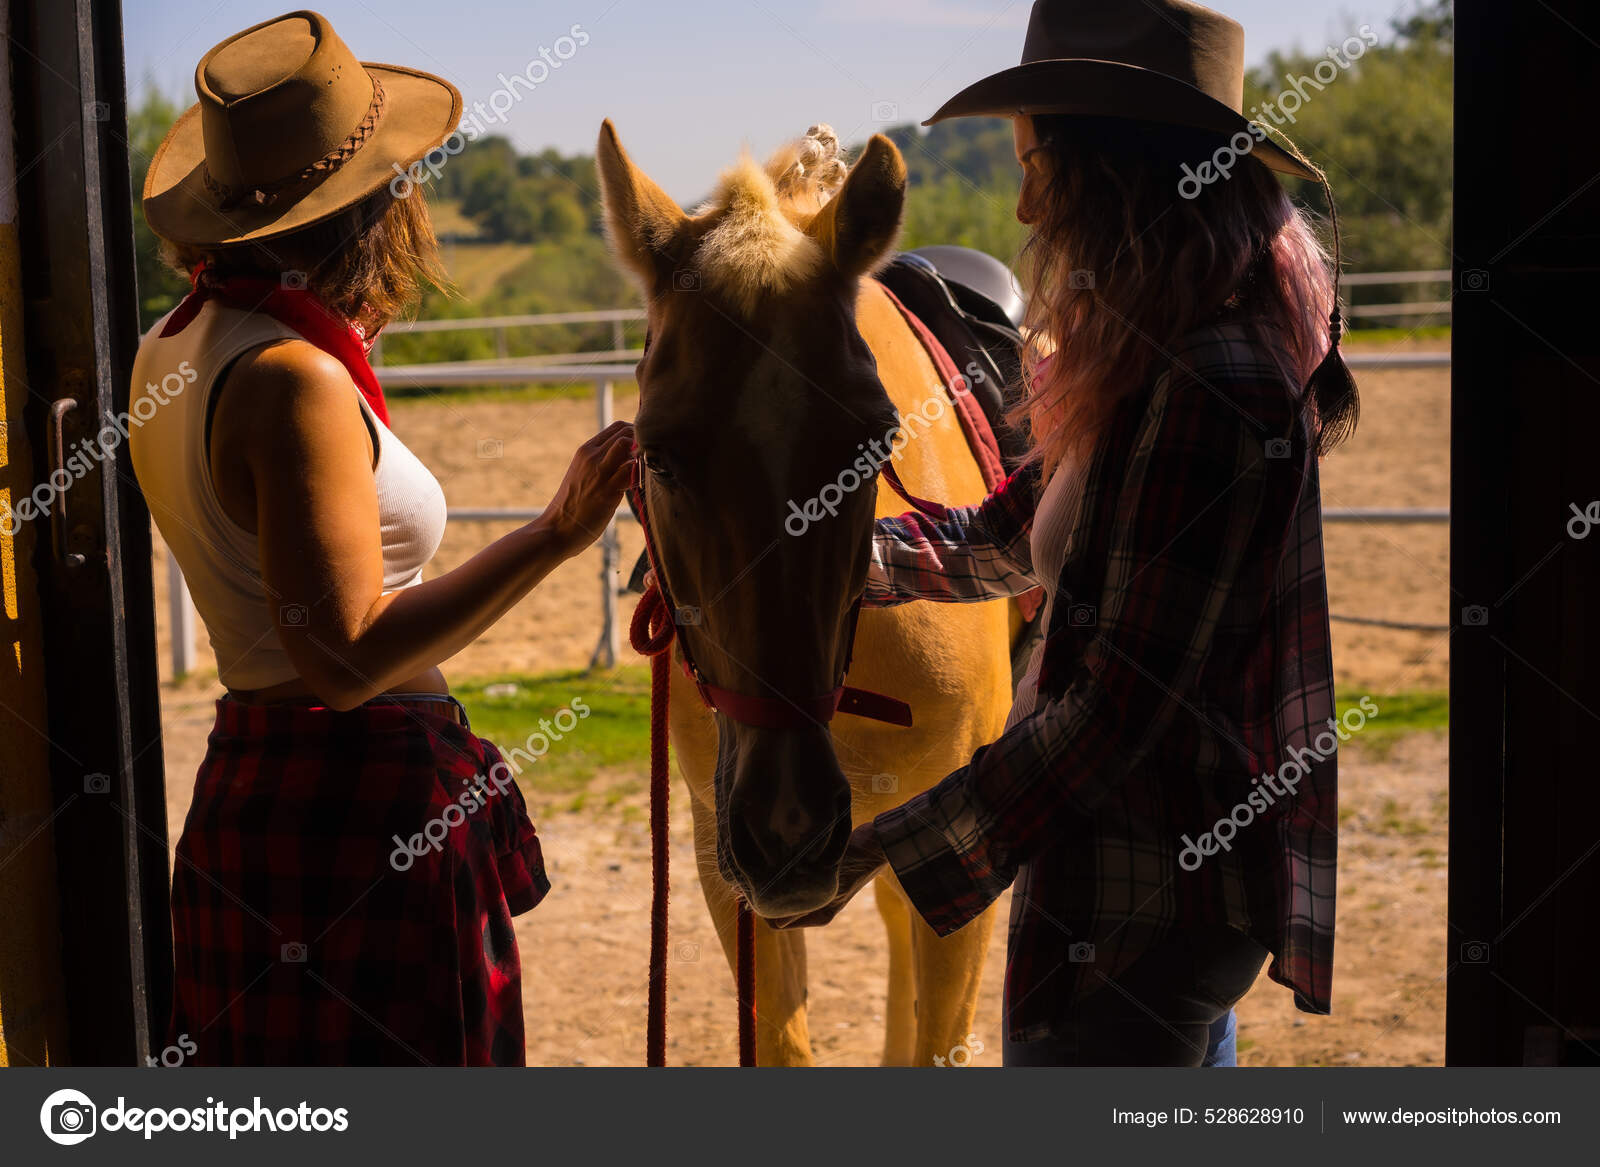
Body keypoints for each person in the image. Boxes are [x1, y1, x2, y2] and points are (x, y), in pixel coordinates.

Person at [776, 0, 1350, 1067]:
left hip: (1144, 889)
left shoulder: (1208, 386)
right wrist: (817, 560)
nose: (1028, 208)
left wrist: (875, 855)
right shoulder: (1163, 354)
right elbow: (1019, 534)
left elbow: (1116, 708)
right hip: (1151, 878)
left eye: (1039, 163)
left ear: (1113, 172)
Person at [130, 12, 633, 1065]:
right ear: (377, 204)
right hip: (361, 813)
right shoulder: (291, 379)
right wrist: (556, 532)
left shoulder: (169, 349)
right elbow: (348, 657)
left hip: (250, 794)